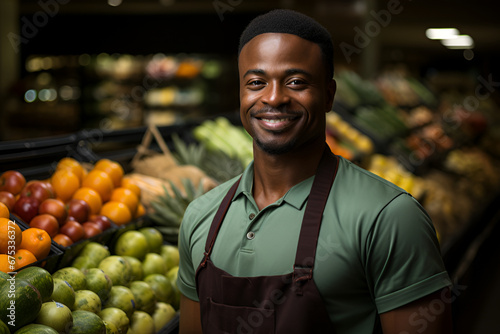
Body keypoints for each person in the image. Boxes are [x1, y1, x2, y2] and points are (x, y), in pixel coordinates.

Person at [177, 9, 453, 334]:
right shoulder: (200, 217)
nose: (274, 97)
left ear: (329, 95)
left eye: (296, 82)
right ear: (240, 94)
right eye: (256, 82)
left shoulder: (390, 217)